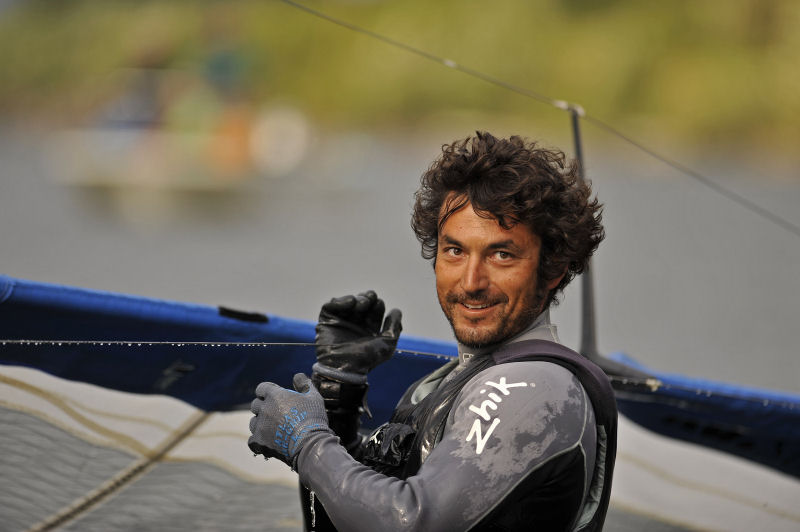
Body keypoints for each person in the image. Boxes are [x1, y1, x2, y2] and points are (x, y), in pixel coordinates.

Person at [248, 131, 616, 531]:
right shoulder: (448, 382)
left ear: (553, 270)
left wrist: (307, 443)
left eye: (502, 254)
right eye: (455, 251)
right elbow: (355, 517)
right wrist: (339, 395)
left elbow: (412, 521)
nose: (472, 281)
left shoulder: (535, 387)